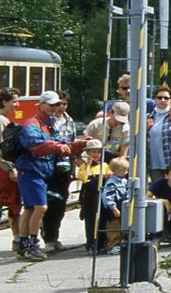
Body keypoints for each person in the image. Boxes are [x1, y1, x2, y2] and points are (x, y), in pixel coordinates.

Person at [16, 90, 86, 261]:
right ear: (41, 105)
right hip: (30, 171)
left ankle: (23, 245)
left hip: (40, 171)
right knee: (40, 207)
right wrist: (58, 148)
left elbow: (59, 142)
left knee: (30, 208)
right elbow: (35, 145)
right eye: (52, 105)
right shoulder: (31, 124)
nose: (55, 107)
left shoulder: (49, 123)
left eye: (57, 104)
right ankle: (33, 245)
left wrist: (76, 145)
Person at [41, 90, 75, 253]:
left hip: (65, 166)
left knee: (61, 203)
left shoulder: (70, 121)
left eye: (64, 104)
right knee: (51, 202)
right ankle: (48, 237)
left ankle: (55, 236)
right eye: (58, 104)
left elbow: (72, 144)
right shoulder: (47, 121)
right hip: (49, 165)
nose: (61, 107)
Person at [76, 139, 109, 254]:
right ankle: (90, 243)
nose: (96, 154)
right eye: (93, 152)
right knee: (90, 221)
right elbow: (83, 178)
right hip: (89, 198)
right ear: (88, 153)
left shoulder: (104, 165)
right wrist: (88, 165)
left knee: (101, 220)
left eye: (98, 152)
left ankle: (101, 243)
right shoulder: (84, 166)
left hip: (100, 196)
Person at [148, 84, 171, 182]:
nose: (163, 100)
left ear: (170, 100)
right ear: (155, 99)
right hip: (154, 165)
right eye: (159, 97)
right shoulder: (148, 118)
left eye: (166, 98)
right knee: (158, 190)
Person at [0, 87, 22, 252]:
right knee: (14, 204)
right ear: (4, 102)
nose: (17, 104)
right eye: (14, 101)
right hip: (3, 171)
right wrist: (10, 168)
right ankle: (17, 239)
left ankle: (18, 239)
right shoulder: (2, 121)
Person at [101, 156, 130, 255]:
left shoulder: (124, 181)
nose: (126, 172)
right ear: (117, 171)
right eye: (124, 170)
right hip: (114, 207)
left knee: (122, 225)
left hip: (122, 205)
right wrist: (113, 208)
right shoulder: (111, 183)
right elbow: (108, 196)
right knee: (114, 227)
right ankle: (112, 245)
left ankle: (121, 242)